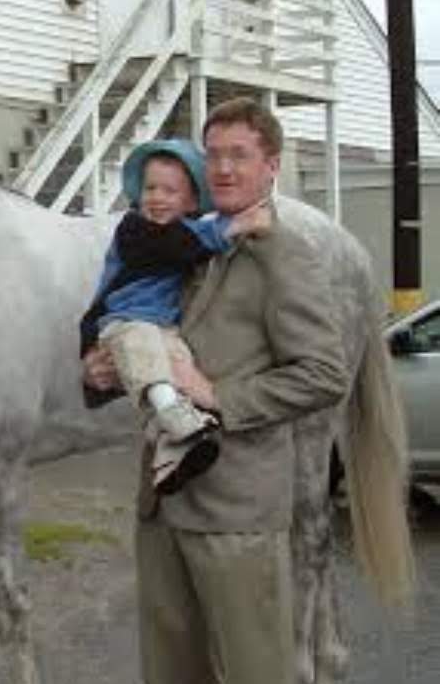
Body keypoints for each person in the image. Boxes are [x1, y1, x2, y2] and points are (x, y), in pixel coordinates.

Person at [84, 98, 349, 684]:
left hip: (237, 516)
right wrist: (96, 374)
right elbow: (134, 324)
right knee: (171, 673)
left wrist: (217, 394)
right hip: (162, 506)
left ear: (270, 165)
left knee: (258, 672)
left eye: (240, 156)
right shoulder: (182, 242)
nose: (224, 169)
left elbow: (325, 373)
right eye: (215, 156)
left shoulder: (285, 256)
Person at [80, 138, 270, 494]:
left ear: (192, 202)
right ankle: (176, 419)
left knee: (179, 365)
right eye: (150, 188)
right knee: (150, 360)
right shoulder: (134, 229)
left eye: (170, 191)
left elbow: (197, 237)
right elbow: (173, 247)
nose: (157, 197)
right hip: (123, 321)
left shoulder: (194, 230)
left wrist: (245, 219)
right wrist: (235, 226)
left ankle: (171, 455)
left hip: (162, 328)